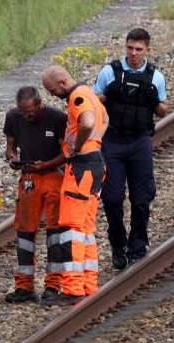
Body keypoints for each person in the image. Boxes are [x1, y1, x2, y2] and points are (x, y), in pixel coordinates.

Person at [93, 28, 168, 269]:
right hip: (113, 141)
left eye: (138, 49)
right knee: (112, 198)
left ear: (147, 50)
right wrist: (109, 95)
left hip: (140, 142)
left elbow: (163, 110)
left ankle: (137, 244)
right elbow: (93, 102)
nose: (133, 53)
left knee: (141, 198)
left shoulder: (155, 76)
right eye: (130, 48)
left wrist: (153, 99)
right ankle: (118, 244)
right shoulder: (110, 72)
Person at [42, 65, 108, 305]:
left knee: (72, 229)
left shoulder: (77, 96)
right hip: (95, 164)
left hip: (81, 167)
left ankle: (72, 288)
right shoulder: (89, 92)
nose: (51, 95)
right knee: (86, 230)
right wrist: (94, 143)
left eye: (51, 90)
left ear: (61, 83)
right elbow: (105, 119)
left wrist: (78, 146)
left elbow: (88, 122)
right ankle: (89, 284)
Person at [2, 86, 68, 303]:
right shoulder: (13, 117)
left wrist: (46, 164)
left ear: (40, 104)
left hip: (53, 176)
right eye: (22, 111)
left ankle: (53, 285)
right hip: (29, 177)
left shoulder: (57, 119)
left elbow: (67, 152)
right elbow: (10, 146)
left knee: (55, 231)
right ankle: (24, 286)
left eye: (29, 111)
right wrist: (12, 157)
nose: (26, 115)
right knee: (24, 231)